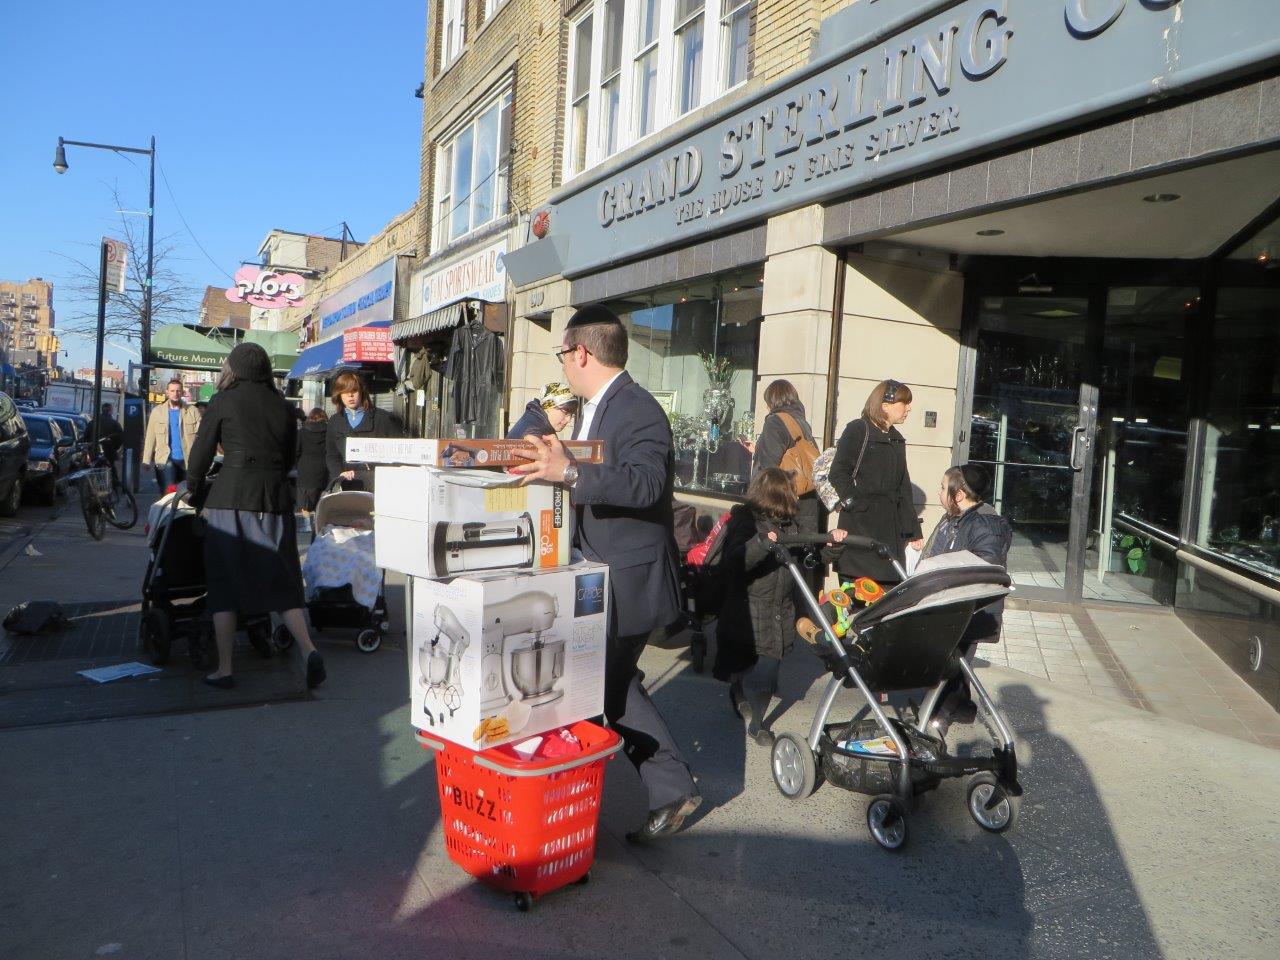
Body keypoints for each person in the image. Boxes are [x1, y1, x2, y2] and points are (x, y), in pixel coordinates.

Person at [511, 305, 700, 843]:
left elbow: (644, 485)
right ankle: (666, 788)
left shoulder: (637, 409)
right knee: (608, 687)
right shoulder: (589, 407)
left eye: (563, 355)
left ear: (581, 353)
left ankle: (568, 813)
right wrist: (541, 420)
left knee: (594, 689)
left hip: (628, 584)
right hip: (596, 578)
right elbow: (529, 449)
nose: (563, 366)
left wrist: (570, 471)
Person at [186, 344, 326, 690]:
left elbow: (202, 450)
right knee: (281, 580)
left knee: (224, 584)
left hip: (230, 498)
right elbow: (289, 455)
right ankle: (308, 650)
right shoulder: (282, 406)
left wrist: (192, 486)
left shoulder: (223, 400)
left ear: (232, 368)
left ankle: (225, 668)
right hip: (275, 498)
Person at [712, 467, 847, 746]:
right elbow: (735, 562)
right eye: (791, 492)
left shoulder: (790, 525)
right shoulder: (745, 522)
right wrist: (761, 544)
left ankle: (758, 725)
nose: (796, 498)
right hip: (748, 611)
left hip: (778, 611)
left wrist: (831, 544)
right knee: (743, 662)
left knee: (767, 672)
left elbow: (812, 555)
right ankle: (737, 690)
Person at [922, 464, 1013, 737]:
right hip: (948, 602)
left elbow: (986, 565)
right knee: (954, 658)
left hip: (970, 608)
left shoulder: (985, 523)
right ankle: (963, 708)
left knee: (951, 661)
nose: (939, 492)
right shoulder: (953, 517)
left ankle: (940, 717)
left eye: (942, 487)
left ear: (959, 494)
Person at [829, 379, 923, 594]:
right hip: (859, 531)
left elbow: (902, 487)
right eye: (904, 402)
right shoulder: (858, 429)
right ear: (885, 405)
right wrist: (855, 503)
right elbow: (839, 472)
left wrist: (913, 532)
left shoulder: (896, 438)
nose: (908, 408)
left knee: (888, 598)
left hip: (890, 536)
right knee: (856, 599)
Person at [324, 370, 403, 492]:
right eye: (344, 392)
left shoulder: (383, 418)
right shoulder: (334, 421)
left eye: (354, 390)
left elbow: (398, 454)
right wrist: (340, 474)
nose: (350, 395)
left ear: (362, 391)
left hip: (378, 485)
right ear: (339, 395)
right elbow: (331, 455)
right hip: (346, 486)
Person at [142, 378, 201, 489]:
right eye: (172, 391)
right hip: (165, 461)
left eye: (178, 391)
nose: (175, 394)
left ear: (182, 392)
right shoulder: (157, 412)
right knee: (168, 497)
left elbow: (202, 437)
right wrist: (146, 460)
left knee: (188, 497)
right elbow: (150, 437)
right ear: (167, 392)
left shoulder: (193, 411)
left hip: (188, 461)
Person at [507, 381, 579, 439]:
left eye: (571, 414)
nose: (568, 420)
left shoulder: (534, 419)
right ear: (548, 407)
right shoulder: (536, 432)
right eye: (565, 412)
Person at [296, 407, 330, 516]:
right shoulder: (329, 432)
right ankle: (318, 526)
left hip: (305, 470)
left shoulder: (301, 432)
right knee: (322, 503)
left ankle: (307, 522)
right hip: (324, 470)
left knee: (305, 504)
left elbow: (296, 451)